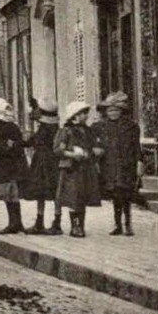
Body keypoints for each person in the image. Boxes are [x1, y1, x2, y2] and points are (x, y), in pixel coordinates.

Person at [96, 91, 142, 236]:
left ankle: (128, 223)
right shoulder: (100, 127)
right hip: (109, 165)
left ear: (121, 111)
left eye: (116, 110)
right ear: (106, 112)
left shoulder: (131, 126)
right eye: (110, 110)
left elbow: (136, 146)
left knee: (126, 194)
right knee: (115, 195)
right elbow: (91, 141)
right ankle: (117, 225)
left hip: (126, 164)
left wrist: (139, 162)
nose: (113, 113)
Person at [0, 97, 29, 234]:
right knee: (8, 197)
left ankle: (15, 223)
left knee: (11, 195)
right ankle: (15, 222)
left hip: (11, 166)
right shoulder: (0, 128)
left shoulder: (10, 128)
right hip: (4, 165)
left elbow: (15, 148)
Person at [54, 101, 100, 237]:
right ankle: (75, 226)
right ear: (75, 115)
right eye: (83, 113)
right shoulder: (66, 131)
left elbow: (93, 147)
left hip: (85, 168)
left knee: (82, 197)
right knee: (72, 197)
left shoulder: (88, 131)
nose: (86, 116)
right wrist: (71, 154)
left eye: (86, 113)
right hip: (70, 169)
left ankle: (81, 225)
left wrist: (91, 152)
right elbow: (57, 150)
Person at [24, 98, 62, 234]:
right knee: (49, 192)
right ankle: (51, 222)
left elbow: (32, 141)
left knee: (47, 192)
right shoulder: (51, 128)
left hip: (46, 163)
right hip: (48, 163)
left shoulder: (46, 129)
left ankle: (50, 223)